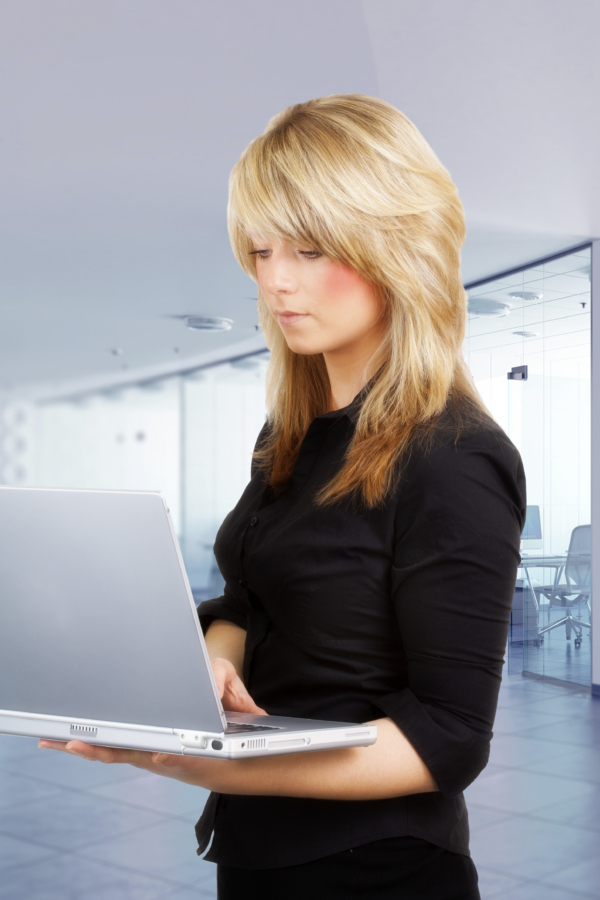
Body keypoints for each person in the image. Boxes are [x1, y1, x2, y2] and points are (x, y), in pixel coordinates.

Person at [40, 95, 526, 899]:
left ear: (394, 247)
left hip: (377, 873)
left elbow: (449, 737)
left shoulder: (455, 457)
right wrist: (213, 666)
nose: (276, 282)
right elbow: (253, 595)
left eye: (308, 249)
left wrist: (192, 758)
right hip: (260, 857)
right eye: (261, 252)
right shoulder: (292, 432)